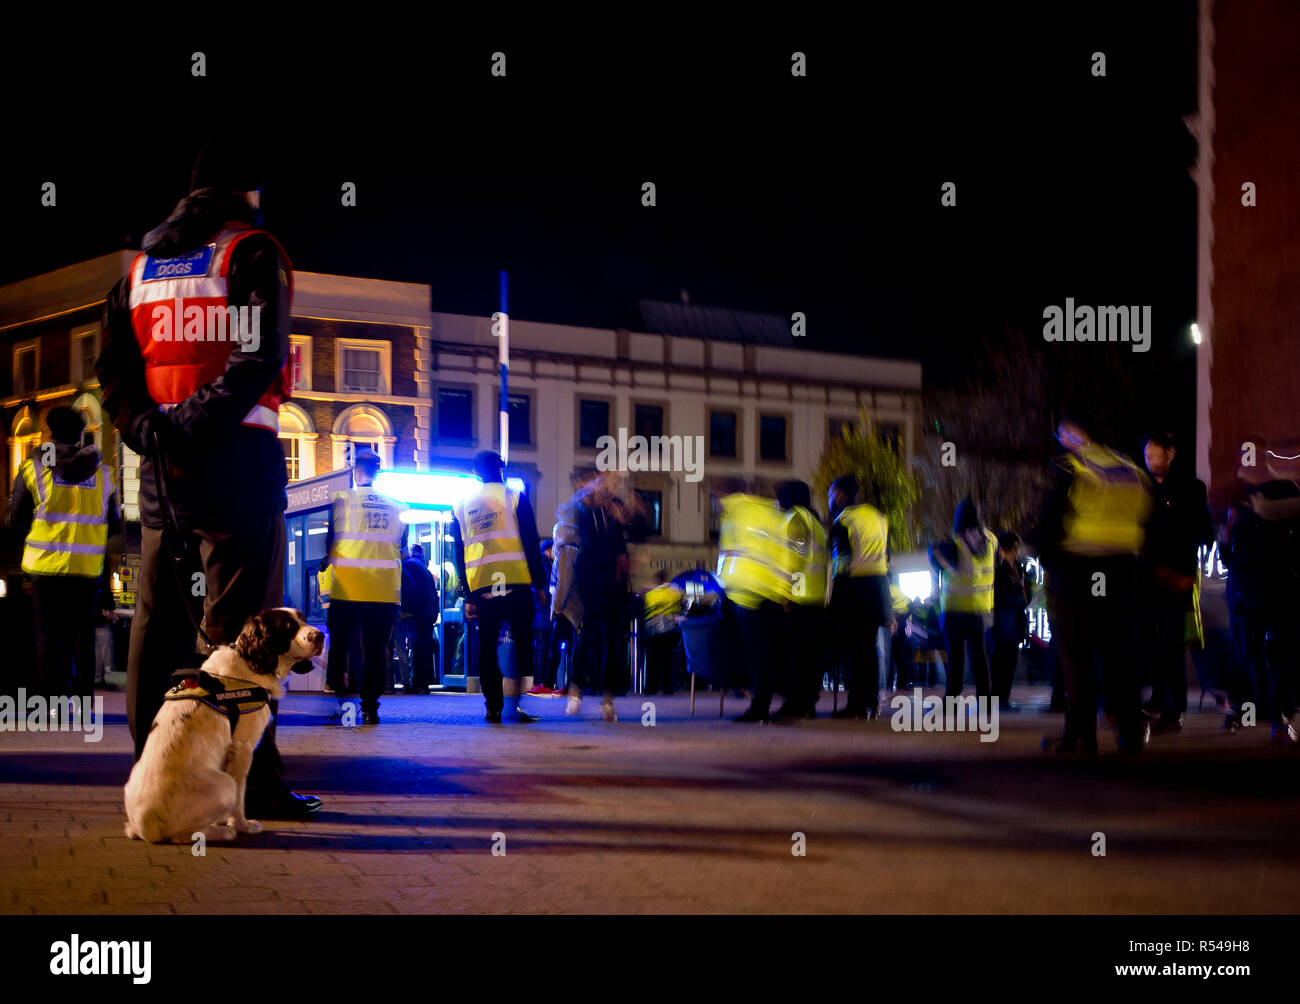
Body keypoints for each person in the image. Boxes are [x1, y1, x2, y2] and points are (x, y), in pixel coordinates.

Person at [97, 139, 320, 818]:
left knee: (157, 624)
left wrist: (151, 430)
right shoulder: (249, 251)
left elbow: (114, 376)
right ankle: (252, 785)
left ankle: (153, 780)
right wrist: (195, 422)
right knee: (242, 629)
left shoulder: (138, 269)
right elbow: (258, 356)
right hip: (238, 461)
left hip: (163, 469)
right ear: (246, 194)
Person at [1038, 414, 1152, 755]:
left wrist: (1050, 560)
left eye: (1065, 432)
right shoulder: (1130, 468)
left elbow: (1052, 518)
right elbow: (1148, 518)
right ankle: (1130, 733)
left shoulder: (1073, 466)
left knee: (1077, 656)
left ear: (1080, 432)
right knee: (1120, 654)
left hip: (1079, 570)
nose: (1061, 439)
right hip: (1122, 569)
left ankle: (1081, 735)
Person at [6, 407, 120, 708]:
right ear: (80, 435)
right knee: (83, 635)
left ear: (50, 434)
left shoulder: (32, 469)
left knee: (47, 635)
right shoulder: (104, 473)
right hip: (86, 568)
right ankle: (83, 702)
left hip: (45, 568)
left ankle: (50, 702)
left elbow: (14, 522)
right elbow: (115, 526)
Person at [451, 450, 549, 724]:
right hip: (516, 582)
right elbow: (530, 542)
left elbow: (459, 553)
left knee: (487, 646)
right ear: (501, 469)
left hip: (483, 586)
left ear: (474, 472)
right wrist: (540, 584)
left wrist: (468, 594)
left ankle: (493, 707)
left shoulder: (461, 505)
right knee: (522, 644)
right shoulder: (516, 497)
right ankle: (514, 703)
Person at [318, 446, 404, 724]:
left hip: (348, 589)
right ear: (377, 472)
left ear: (356, 471)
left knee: (340, 648)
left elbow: (329, 543)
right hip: (381, 590)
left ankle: (343, 705)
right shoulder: (395, 505)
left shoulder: (342, 500)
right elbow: (397, 546)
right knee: (376, 651)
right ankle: (370, 708)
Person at [1221, 449, 1300, 742]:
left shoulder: (1261, 502)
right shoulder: (1248, 506)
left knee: (1258, 654)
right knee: (1266, 655)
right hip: (1264, 592)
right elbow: (1231, 555)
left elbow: (1231, 556)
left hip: (1262, 592)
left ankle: (1267, 711)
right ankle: (1269, 712)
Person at [1139, 431, 1213, 734]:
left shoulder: (1190, 489)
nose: (1150, 461)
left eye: (1155, 455)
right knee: (1155, 644)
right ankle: (1158, 701)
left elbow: (1201, 531)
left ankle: (1174, 708)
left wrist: (1184, 573)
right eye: (1147, 456)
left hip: (1177, 579)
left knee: (1172, 644)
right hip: (1147, 578)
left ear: (1171, 453)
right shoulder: (1141, 488)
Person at [566, 472, 635, 721]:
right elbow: (583, 537)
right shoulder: (580, 510)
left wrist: (629, 517)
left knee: (616, 643)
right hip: (590, 584)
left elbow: (638, 532)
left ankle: (608, 699)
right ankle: (576, 689)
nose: (603, 486)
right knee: (587, 639)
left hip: (616, 584)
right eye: (596, 482)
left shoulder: (615, 508)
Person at [717, 486, 789, 723]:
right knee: (766, 653)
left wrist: (725, 585)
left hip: (746, 591)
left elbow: (728, 554)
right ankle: (764, 703)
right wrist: (783, 590)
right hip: (771, 591)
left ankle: (758, 708)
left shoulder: (734, 514)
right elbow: (784, 553)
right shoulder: (771, 513)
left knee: (754, 654)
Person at [827, 475, 894, 718]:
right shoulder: (879, 517)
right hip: (878, 588)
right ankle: (872, 702)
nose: (830, 499)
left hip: (854, 589)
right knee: (871, 648)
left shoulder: (843, 521)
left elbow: (841, 565)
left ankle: (855, 705)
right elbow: (887, 558)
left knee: (855, 652)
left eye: (831, 494)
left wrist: (835, 603)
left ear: (840, 495)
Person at [930, 498, 997, 699]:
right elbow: (998, 563)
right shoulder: (992, 539)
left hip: (955, 609)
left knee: (956, 658)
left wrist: (934, 549)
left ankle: (952, 699)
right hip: (982, 609)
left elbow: (940, 565)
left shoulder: (955, 541)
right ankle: (985, 700)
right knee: (979, 657)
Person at [773, 480, 828, 719]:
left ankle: (795, 704)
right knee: (810, 658)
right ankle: (807, 704)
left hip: (799, 599)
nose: (777, 503)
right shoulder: (815, 521)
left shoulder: (796, 517)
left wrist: (785, 591)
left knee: (795, 657)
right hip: (816, 600)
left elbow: (795, 557)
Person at [991, 530, 1031, 705]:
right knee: (1001, 655)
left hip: (1016, 617)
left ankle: (1004, 696)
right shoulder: (998, 569)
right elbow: (998, 595)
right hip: (1003, 616)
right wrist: (1018, 600)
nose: (1018, 550)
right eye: (1016, 546)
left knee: (1011, 656)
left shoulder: (1020, 568)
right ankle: (997, 695)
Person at [401, 543, 440, 694]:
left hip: (420, 612)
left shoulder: (408, 565)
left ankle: (418, 683)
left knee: (418, 647)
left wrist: (406, 609)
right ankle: (423, 684)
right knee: (425, 646)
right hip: (429, 611)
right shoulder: (422, 567)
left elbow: (410, 588)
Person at [642, 570, 685, 695]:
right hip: (669, 630)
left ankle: (651, 688)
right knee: (667, 659)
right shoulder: (675, 593)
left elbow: (643, 611)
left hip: (652, 630)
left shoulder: (650, 594)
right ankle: (667, 688)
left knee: (652, 660)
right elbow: (681, 609)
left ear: (656, 580)